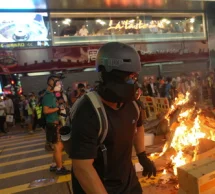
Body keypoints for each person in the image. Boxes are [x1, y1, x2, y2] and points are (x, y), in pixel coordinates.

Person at [70, 42, 156, 194]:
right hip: (100, 187)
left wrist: (142, 156)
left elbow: (138, 126)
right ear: (108, 75)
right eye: (129, 77)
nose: (134, 82)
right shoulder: (88, 111)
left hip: (128, 184)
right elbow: (82, 167)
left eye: (134, 77)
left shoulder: (133, 104)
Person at [42, 75, 71, 175]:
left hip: (56, 123)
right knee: (59, 146)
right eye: (57, 83)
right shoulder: (48, 96)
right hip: (53, 124)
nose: (59, 85)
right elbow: (46, 110)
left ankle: (54, 164)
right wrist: (58, 108)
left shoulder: (53, 94)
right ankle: (59, 168)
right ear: (51, 83)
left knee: (58, 146)